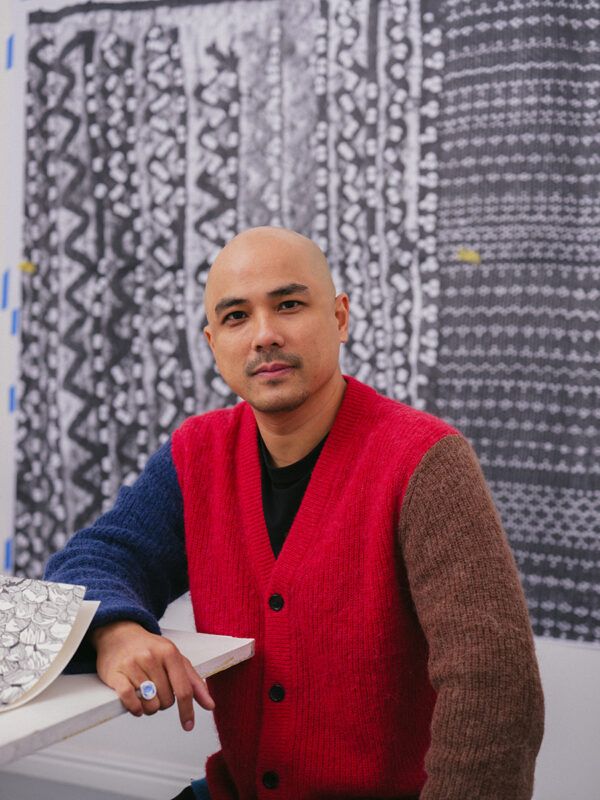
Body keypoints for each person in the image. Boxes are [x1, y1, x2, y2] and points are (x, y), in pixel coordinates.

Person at [45, 226, 544, 800]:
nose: (264, 335)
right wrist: (116, 630)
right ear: (213, 343)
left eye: (288, 305)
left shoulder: (425, 462)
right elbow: (97, 556)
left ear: (339, 318)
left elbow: (494, 684)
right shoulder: (197, 453)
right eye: (236, 317)